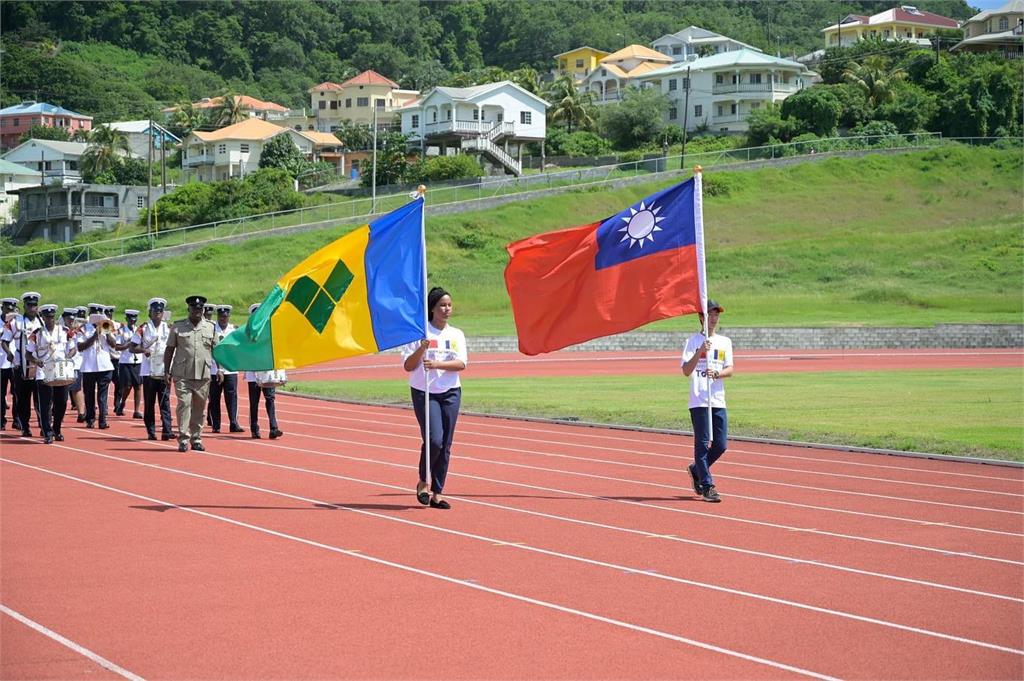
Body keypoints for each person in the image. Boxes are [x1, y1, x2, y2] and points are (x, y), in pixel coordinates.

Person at [401, 287, 468, 510]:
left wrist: (437, 364)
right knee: (434, 439)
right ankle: (423, 482)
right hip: (425, 391)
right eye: (442, 305)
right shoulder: (420, 333)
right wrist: (422, 349)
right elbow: (408, 366)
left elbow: (461, 364)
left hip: (450, 392)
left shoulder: (456, 334)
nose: (447, 309)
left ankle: (437, 493)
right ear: (432, 308)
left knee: (446, 444)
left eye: (449, 305)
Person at [680, 300, 734, 503]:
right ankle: (708, 485)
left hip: (717, 399)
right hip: (699, 400)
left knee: (720, 445)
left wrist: (718, 373)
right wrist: (700, 351)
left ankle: (696, 469)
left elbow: (730, 369)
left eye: (716, 315)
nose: (714, 319)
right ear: (701, 318)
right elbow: (686, 370)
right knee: (702, 445)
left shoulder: (724, 342)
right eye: (710, 315)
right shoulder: (692, 341)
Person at [163, 295, 217, 452]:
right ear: (189, 309)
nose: (197, 311)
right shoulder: (178, 327)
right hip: (182, 374)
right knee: (184, 405)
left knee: (200, 408)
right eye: (194, 308)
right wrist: (166, 371)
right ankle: (183, 438)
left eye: (200, 309)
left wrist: (220, 368)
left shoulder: (210, 327)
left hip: (203, 374)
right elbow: (169, 349)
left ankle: (196, 438)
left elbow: (217, 350)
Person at [27, 304, 76, 444]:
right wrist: (37, 361)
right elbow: (28, 354)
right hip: (44, 371)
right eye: (47, 317)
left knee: (61, 403)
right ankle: (47, 432)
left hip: (61, 370)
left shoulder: (64, 331)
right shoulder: (36, 334)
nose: (50, 320)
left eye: (52, 317)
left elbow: (73, 349)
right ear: (42, 317)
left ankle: (57, 428)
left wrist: (68, 356)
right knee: (45, 404)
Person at [130, 298, 174, 441]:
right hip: (148, 371)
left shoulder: (167, 328)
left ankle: (167, 430)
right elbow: (132, 347)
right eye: (155, 311)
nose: (158, 314)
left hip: (163, 370)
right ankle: (151, 431)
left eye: (160, 312)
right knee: (149, 403)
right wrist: (144, 350)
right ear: (150, 313)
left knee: (165, 401)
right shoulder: (143, 328)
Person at [2, 292, 42, 436]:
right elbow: (5, 341)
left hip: (39, 366)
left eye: (34, 305)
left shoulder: (42, 322)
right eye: (29, 305)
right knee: (23, 398)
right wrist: (9, 354)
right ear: (24, 306)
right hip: (21, 365)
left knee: (41, 398)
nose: (32, 308)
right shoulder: (15, 322)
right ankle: (25, 426)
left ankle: (43, 425)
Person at [243, 303, 283, 440]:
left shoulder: (269, 331)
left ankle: (274, 428)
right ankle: (254, 429)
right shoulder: (248, 332)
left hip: (267, 372)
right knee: (254, 402)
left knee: (270, 399)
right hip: (253, 373)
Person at [77, 303, 117, 429]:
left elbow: (113, 344)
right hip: (89, 366)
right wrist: (95, 335)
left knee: (103, 395)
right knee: (89, 395)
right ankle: (90, 419)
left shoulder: (106, 326)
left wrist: (107, 332)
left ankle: (102, 420)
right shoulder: (83, 328)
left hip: (104, 366)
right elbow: (80, 346)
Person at [208, 304, 243, 434]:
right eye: (221, 316)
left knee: (232, 397)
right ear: (217, 316)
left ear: (229, 316)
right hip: (214, 369)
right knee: (214, 397)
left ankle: (233, 423)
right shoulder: (211, 330)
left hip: (230, 368)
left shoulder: (233, 330)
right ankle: (216, 425)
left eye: (225, 316)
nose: (223, 319)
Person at [113, 309, 144, 418]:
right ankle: (122, 402)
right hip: (125, 362)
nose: (132, 321)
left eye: (134, 319)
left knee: (138, 386)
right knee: (127, 386)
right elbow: (117, 347)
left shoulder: (140, 330)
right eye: (130, 319)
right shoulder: (121, 331)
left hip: (138, 361)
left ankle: (136, 410)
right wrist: (129, 344)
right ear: (127, 319)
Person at [0, 297, 18, 431]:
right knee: (1, 393)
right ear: (2, 309)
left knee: (18, 392)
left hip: (15, 362)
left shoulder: (17, 323)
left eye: (11, 310)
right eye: (7, 309)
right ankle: (1, 419)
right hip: (1, 362)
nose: (9, 312)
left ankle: (17, 419)